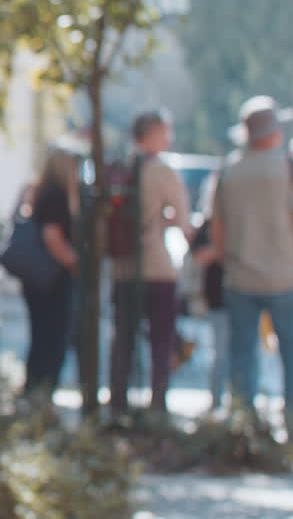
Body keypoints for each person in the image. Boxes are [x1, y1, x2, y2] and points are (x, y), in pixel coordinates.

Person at [212, 95, 293, 445]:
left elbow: (217, 229)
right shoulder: (287, 167)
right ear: (272, 130)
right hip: (284, 275)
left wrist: (229, 263)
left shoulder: (230, 170)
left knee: (242, 358)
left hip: (241, 276)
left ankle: (244, 430)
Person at [109, 109, 190, 415]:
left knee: (123, 340)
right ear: (153, 133)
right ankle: (158, 405)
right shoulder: (162, 170)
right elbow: (183, 220)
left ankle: (118, 403)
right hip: (156, 267)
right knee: (161, 342)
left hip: (123, 268)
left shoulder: (118, 167)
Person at [22, 147, 79, 401]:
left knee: (40, 337)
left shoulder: (40, 191)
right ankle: (42, 395)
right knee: (52, 339)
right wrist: (74, 262)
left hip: (36, 279)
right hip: (51, 280)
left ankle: (35, 393)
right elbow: (52, 236)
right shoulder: (56, 195)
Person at [185, 174, 229, 412]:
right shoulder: (207, 225)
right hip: (216, 297)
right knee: (220, 352)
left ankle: (239, 403)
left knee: (241, 352)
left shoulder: (239, 222)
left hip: (241, 291)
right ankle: (217, 401)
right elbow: (197, 256)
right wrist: (221, 249)